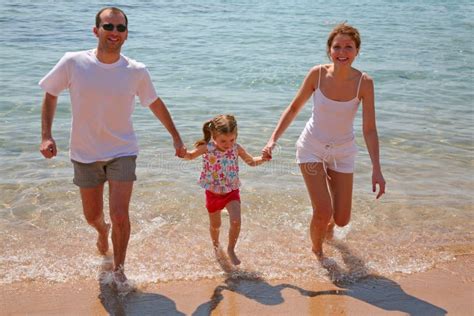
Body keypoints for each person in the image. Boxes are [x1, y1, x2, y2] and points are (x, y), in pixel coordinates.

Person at [39, 7, 186, 283]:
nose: (114, 33)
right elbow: (50, 94)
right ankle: (100, 231)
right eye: (109, 27)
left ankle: (119, 271)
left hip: (123, 151)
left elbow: (154, 102)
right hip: (84, 153)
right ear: (96, 31)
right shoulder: (73, 62)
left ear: (127, 35)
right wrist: (46, 135)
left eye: (120, 28)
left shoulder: (136, 71)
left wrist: (175, 137)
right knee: (93, 216)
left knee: (120, 214)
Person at [262, 23, 386, 259]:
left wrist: (377, 169)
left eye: (348, 47)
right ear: (329, 50)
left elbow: (369, 129)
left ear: (357, 51)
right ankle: (318, 254)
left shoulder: (364, 83)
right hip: (312, 148)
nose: (342, 52)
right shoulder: (317, 74)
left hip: (343, 152)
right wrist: (272, 140)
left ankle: (325, 228)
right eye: (337, 47)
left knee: (341, 219)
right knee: (323, 209)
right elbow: (294, 108)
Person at [183, 114, 268, 265]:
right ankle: (216, 246)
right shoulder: (207, 148)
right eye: (223, 141)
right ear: (214, 136)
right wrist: (182, 152)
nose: (228, 144)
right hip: (212, 193)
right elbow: (190, 156)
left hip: (231, 192)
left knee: (236, 221)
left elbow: (251, 162)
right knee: (216, 225)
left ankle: (231, 249)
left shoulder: (236, 148)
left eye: (232, 140)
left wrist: (263, 158)